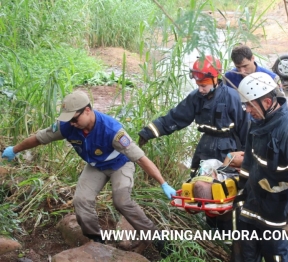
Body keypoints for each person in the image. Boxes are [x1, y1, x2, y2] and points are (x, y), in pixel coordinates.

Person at [1, 90, 176, 257]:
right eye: (68, 119)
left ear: (87, 110)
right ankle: (96, 240)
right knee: (81, 200)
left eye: (74, 119)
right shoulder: (67, 126)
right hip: (96, 166)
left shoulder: (112, 131)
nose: (71, 123)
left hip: (120, 165)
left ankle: (157, 238)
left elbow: (140, 158)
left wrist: (163, 183)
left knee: (121, 201)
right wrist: (14, 150)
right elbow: (39, 138)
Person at [138, 55, 249, 232]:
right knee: (203, 192)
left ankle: (230, 236)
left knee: (225, 194)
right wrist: (149, 132)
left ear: (215, 79)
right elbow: (175, 117)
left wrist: (244, 158)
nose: (201, 89)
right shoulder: (196, 97)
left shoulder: (232, 97)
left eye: (203, 85)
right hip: (205, 150)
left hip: (228, 151)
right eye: (198, 85)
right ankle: (211, 231)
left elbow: (245, 129)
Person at [236, 72, 288, 261]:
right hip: (251, 206)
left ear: (267, 102)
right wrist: (240, 193)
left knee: (276, 254)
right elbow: (248, 162)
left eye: (250, 104)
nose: (247, 110)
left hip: (276, 210)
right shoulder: (256, 123)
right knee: (243, 254)